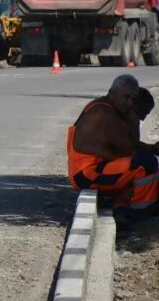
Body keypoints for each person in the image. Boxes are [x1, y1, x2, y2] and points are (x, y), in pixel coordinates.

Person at [67, 75, 159, 223]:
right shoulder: (106, 113)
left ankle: (121, 210)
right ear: (111, 93)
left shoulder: (101, 106)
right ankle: (141, 212)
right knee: (147, 164)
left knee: (130, 175)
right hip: (87, 174)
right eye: (126, 97)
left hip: (84, 172)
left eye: (132, 99)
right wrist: (133, 118)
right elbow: (130, 149)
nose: (129, 103)